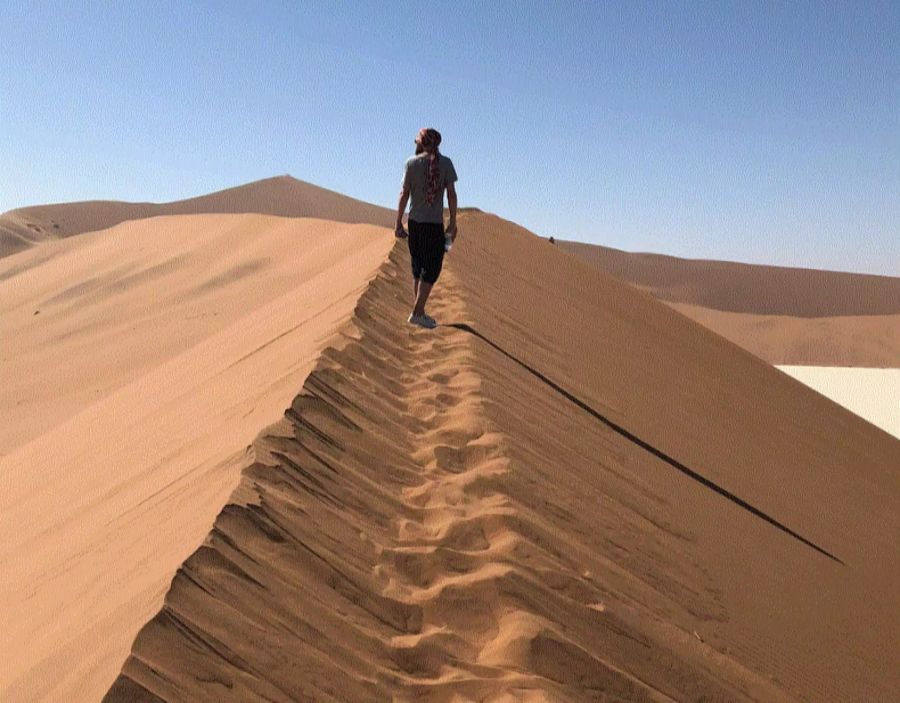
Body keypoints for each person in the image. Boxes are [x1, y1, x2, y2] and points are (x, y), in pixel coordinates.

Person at [395, 127, 458, 329]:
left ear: (421, 143)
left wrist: (398, 221)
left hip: (415, 223)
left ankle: (419, 312)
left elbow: (404, 194)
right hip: (433, 224)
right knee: (431, 269)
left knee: (418, 267)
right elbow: (451, 194)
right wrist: (453, 221)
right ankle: (418, 312)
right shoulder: (446, 164)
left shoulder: (411, 164)